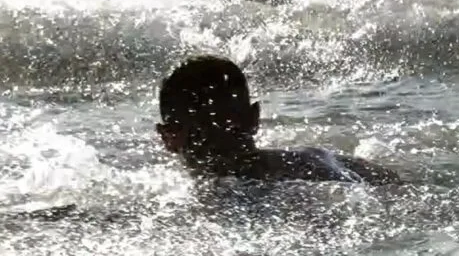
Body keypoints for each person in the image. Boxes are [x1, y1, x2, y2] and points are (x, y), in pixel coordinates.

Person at [156, 55, 400, 185]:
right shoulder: (312, 161)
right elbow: (392, 180)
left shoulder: (181, 204)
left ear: (169, 137)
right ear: (254, 118)